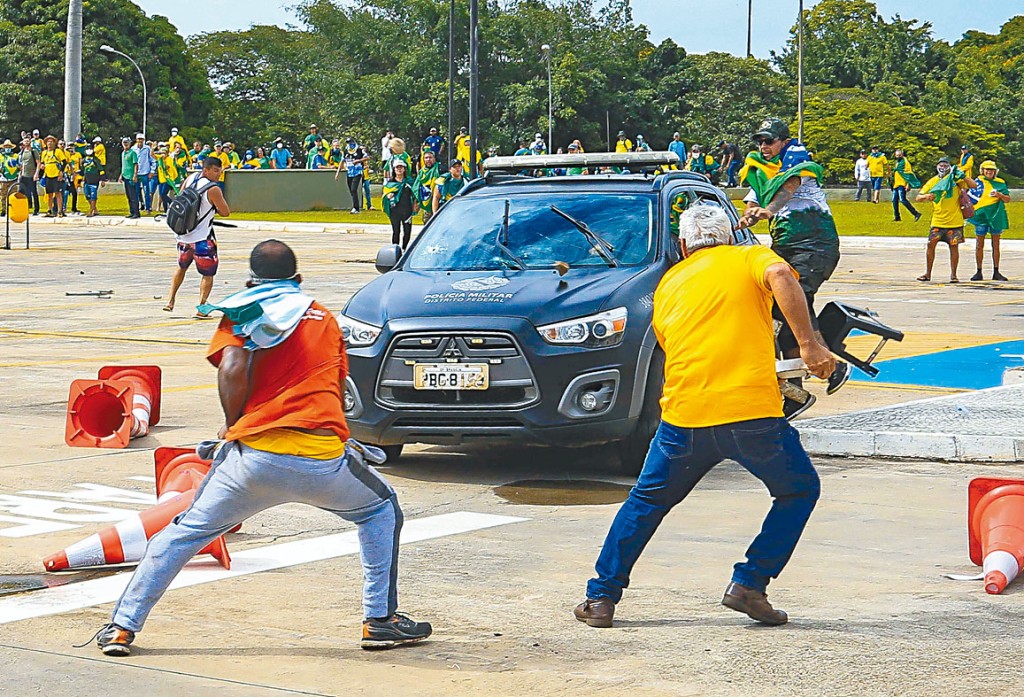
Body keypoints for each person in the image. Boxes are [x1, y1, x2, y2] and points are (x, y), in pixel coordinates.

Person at [92, 238, 432, 656]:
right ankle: (379, 621)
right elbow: (339, 388)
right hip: (321, 460)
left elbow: (233, 368)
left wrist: (234, 425)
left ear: (251, 281)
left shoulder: (242, 312)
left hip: (251, 461)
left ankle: (123, 628)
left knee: (181, 535)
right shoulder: (323, 317)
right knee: (380, 510)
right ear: (299, 279)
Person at [574, 206, 831, 630]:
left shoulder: (669, 283)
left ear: (682, 245)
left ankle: (600, 598)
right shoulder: (748, 258)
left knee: (646, 502)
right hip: (751, 415)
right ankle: (750, 582)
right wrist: (808, 345)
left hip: (684, 418)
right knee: (798, 490)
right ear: (730, 236)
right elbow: (783, 277)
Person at [737, 117, 849, 407]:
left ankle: (831, 364)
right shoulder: (762, 169)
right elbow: (753, 201)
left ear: (783, 141)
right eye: (760, 141)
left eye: (769, 141)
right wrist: (746, 217)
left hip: (814, 244)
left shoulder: (797, 159)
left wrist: (769, 211)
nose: (763, 146)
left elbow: (788, 187)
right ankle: (794, 389)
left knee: (791, 302)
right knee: (785, 311)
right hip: (786, 246)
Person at [163, 157, 230, 316]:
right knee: (208, 274)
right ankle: (201, 308)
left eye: (220, 171)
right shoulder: (213, 189)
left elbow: (181, 198)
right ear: (206, 170)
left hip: (183, 236)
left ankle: (170, 300)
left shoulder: (190, 178)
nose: (218, 175)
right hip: (202, 238)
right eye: (215, 171)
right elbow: (225, 212)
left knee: (181, 267)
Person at [915, 156, 977, 283]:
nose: (943, 167)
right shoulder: (933, 181)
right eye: (940, 165)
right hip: (938, 220)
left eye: (945, 165)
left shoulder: (956, 180)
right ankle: (927, 273)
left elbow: (973, 185)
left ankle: (954, 275)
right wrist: (927, 196)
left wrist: (963, 176)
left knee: (954, 247)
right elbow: (918, 197)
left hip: (955, 221)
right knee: (930, 245)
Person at [967, 160, 1011, 281]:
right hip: (980, 216)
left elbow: (1007, 199)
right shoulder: (978, 182)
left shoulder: (1000, 183)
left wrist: (999, 195)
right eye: (987, 169)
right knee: (979, 245)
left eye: (991, 170)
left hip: (995, 216)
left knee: (995, 244)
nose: (989, 172)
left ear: (995, 171)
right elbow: (970, 196)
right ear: (983, 170)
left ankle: (996, 271)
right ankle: (979, 271)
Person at [383, 160, 418, 250]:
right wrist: (388, 196)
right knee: (396, 231)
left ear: (404, 169)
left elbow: (415, 194)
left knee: (407, 231)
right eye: (397, 167)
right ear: (394, 170)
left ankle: (404, 249)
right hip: (394, 210)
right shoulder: (390, 183)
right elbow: (385, 194)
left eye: (401, 167)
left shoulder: (409, 181)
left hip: (407, 210)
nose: (399, 169)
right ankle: (395, 249)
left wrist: (415, 205)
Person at [35, 135, 68, 217]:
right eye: (48, 142)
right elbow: (42, 163)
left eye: (51, 141)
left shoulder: (58, 152)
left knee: (58, 193)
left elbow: (64, 162)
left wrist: (61, 172)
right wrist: (42, 168)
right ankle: (49, 210)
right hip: (48, 174)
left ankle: (60, 211)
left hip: (56, 174)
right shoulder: (44, 153)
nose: (49, 143)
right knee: (49, 193)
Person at [335, 137, 368, 213]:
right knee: (351, 190)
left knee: (354, 189)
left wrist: (358, 160)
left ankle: (356, 208)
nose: (350, 145)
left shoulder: (359, 150)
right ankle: (355, 206)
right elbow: (342, 161)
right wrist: (338, 173)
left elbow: (367, 157)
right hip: (349, 172)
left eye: (350, 143)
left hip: (357, 172)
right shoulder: (346, 151)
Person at [890, 149, 921, 223]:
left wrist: (908, 184)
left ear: (902, 155)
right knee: (894, 201)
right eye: (897, 155)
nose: (898, 156)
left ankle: (916, 213)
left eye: (899, 155)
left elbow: (909, 174)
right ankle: (897, 217)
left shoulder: (905, 163)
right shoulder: (898, 163)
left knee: (903, 200)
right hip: (896, 184)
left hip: (902, 184)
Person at [412, 150, 440, 223]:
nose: (428, 160)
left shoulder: (440, 169)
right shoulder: (422, 172)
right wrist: (415, 202)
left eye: (430, 157)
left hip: (439, 203)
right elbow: (416, 187)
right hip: (426, 204)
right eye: (426, 158)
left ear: (434, 158)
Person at [132, 134, 156, 214]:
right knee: (136, 192)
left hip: (145, 173)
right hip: (136, 173)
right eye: (139, 139)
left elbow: (152, 160)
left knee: (147, 191)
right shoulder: (133, 149)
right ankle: (139, 206)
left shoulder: (147, 149)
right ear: (136, 140)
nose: (140, 141)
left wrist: (152, 171)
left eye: (142, 139)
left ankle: (148, 208)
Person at [118, 137, 140, 219]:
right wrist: (121, 175)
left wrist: (135, 175)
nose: (125, 144)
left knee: (133, 196)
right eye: (124, 143)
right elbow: (123, 165)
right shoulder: (123, 153)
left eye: (127, 143)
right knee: (128, 196)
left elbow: (135, 164)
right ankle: (132, 212)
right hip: (125, 176)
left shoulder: (132, 153)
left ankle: (136, 213)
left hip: (131, 176)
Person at [17, 139, 40, 215]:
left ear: (30, 142)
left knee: (34, 192)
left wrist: (36, 174)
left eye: (28, 141)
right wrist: (20, 173)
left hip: (32, 175)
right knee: (21, 191)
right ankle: (25, 207)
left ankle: (36, 209)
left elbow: (38, 163)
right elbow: (23, 163)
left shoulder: (34, 151)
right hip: (24, 175)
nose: (26, 142)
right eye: (25, 141)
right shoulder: (23, 152)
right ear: (23, 142)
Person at [80, 147, 105, 217]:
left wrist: (103, 180)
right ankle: (95, 209)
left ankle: (91, 211)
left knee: (93, 196)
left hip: (94, 180)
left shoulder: (96, 160)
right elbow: (82, 171)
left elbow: (101, 170)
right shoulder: (83, 161)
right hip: (86, 181)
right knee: (87, 196)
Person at [63, 141, 83, 215]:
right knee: (65, 192)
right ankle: (63, 207)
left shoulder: (78, 154)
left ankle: (74, 208)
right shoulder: (65, 155)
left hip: (75, 175)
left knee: (74, 192)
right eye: (70, 146)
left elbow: (80, 164)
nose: (71, 147)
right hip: (67, 175)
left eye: (72, 146)